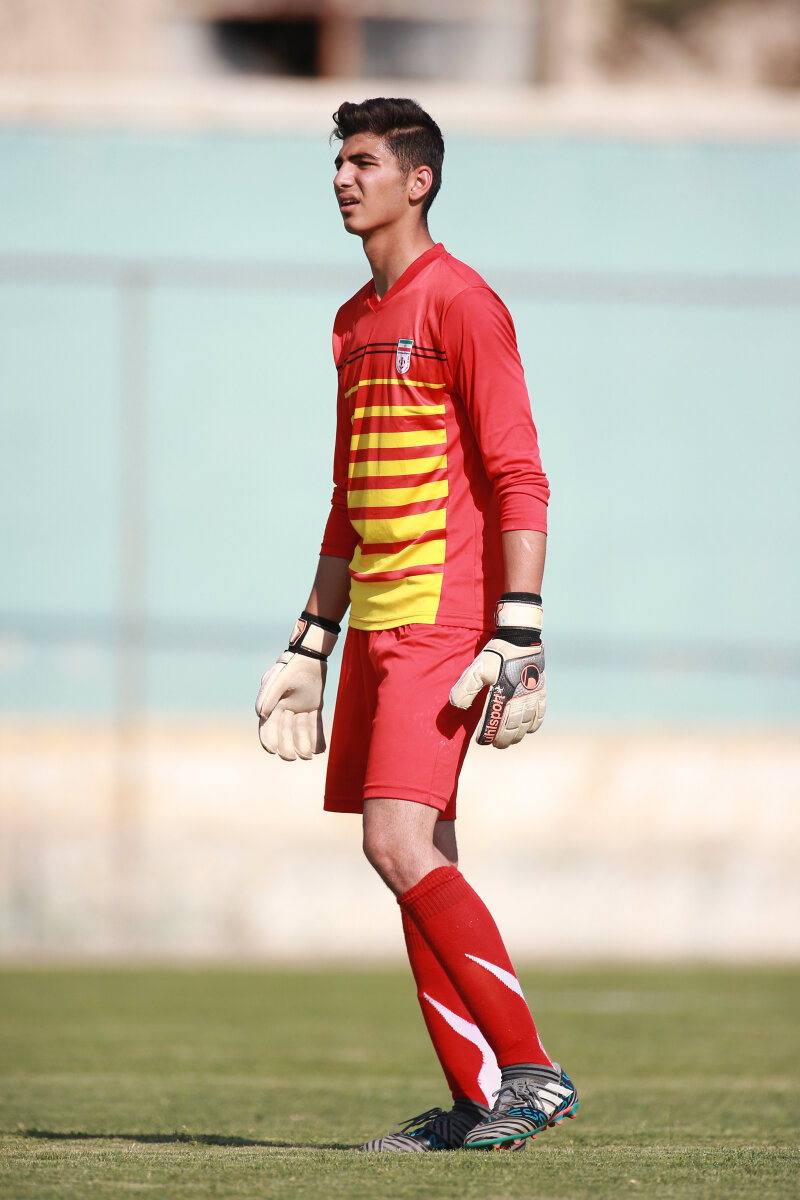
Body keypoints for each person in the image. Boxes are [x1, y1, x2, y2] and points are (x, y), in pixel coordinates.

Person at [255, 97, 577, 1152]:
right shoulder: (352, 322)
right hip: (376, 628)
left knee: (394, 842)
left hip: (446, 620)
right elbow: (347, 499)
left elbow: (519, 471)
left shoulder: (463, 301)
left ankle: (531, 1072)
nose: (343, 179)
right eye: (337, 164)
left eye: (362, 162)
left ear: (417, 179)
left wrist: (518, 630)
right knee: (412, 852)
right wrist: (313, 638)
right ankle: (477, 1099)